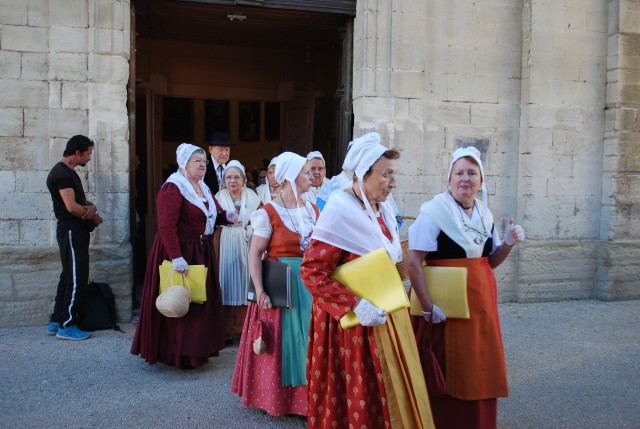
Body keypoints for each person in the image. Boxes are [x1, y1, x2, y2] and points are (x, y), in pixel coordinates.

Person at [300, 132, 435, 429]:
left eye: (394, 175)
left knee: (391, 392)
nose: (393, 183)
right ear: (363, 173)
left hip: (388, 316)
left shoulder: (383, 209)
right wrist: (356, 304)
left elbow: (385, 259)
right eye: (386, 175)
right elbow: (311, 271)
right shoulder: (340, 209)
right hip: (352, 327)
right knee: (360, 395)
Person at [407, 146, 525, 429]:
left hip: (480, 304)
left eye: (472, 173)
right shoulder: (433, 212)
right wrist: (426, 306)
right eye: (459, 172)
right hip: (443, 306)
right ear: (449, 178)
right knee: (449, 368)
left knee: (478, 366)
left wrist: (508, 242)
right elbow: (413, 262)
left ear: (481, 180)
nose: (465, 179)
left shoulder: (485, 214)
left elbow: (490, 261)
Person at [131, 143, 237, 368]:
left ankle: (197, 351)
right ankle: (177, 354)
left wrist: (226, 216)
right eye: (196, 161)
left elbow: (212, 216)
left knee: (198, 301)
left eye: (204, 161)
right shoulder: (173, 187)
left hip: (201, 251)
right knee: (180, 299)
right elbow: (166, 227)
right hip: (181, 251)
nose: (202, 165)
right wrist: (176, 257)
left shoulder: (203, 188)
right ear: (184, 163)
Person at [231, 152, 318, 417]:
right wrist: (259, 291)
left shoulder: (313, 209)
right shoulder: (268, 212)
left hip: (310, 285)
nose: (311, 176)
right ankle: (282, 400)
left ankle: (310, 400)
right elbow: (255, 254)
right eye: (306, 172)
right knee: (285, 341)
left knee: (311, 340)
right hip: (282, 285)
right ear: (291, 177)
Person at [46, 135, 103, 340]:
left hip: (74, 230)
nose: (89, 158)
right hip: (71, 230)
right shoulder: (61, 173)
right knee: (77, 277)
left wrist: (90, 207)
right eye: (88, 154)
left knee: (68, 275)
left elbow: (79, 201)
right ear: (77, 152)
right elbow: (71, 206)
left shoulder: (68, 173)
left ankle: (56, 321)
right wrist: (92, 214)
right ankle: (67, 325)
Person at [214, 160, 263, 345]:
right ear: (224, 180)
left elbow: (261, 222)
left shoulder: (254, 198)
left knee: (246, 284)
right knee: (225, 283)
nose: (232, 181)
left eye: (236, 177)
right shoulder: (217, 197)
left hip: (247, 245)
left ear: (243, 179)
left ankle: (245, 329)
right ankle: (225, 331)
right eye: (228, 177)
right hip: (225, 246)